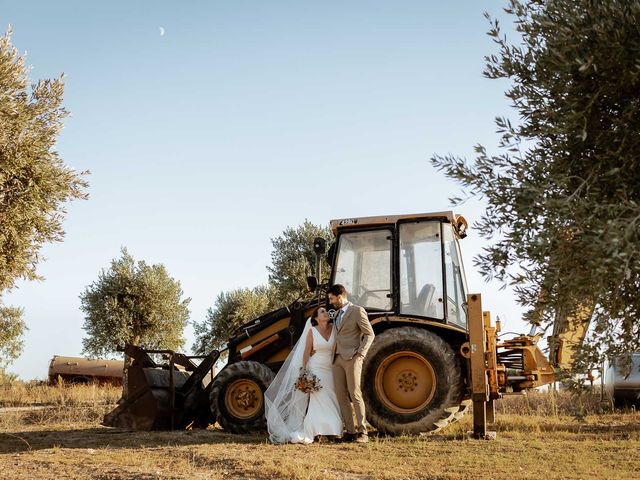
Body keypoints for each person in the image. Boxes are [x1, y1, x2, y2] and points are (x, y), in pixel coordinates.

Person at [264, 306, 343, 444]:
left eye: (325, 311)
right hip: (316, 367)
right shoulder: (312, 331)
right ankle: (317, 429)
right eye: (322, 311)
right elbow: (307, 351)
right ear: (316, 318)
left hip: (330, 367)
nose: (325, 313)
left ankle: (334, 429)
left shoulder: (334, 329)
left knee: (332, 397)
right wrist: (305, 371)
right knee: (318, 398)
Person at [329, 284, 375, 443]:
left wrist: (360, 353)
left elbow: (370, 334)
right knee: (341, 396)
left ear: (340, 296)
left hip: (352, 358)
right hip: (336, 359)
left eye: (332, 298)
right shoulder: (336, 314)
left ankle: (363, 433)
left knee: (355, 394)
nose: (330, 302)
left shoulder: (357, 311)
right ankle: (349, 431)